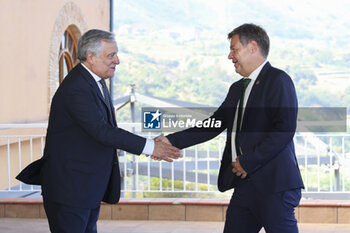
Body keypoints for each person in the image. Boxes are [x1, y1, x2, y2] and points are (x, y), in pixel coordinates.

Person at [156, 23, 304, 233]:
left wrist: (248, 161)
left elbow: (284, 130)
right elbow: (213, 124)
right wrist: (172, 140)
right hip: (244, 184)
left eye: (234, 49)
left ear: (252, 47)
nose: (230, 56)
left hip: (274, 185)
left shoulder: (278, 80)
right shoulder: (237, 89)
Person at [40, 29, 181, 233]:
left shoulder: (95, 81)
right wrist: (151, 147)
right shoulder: (77, 88)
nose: (117, 61)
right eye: (111, 55)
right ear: (90, 57)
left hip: (85, 188)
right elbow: (102, 131)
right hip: (70, 190)